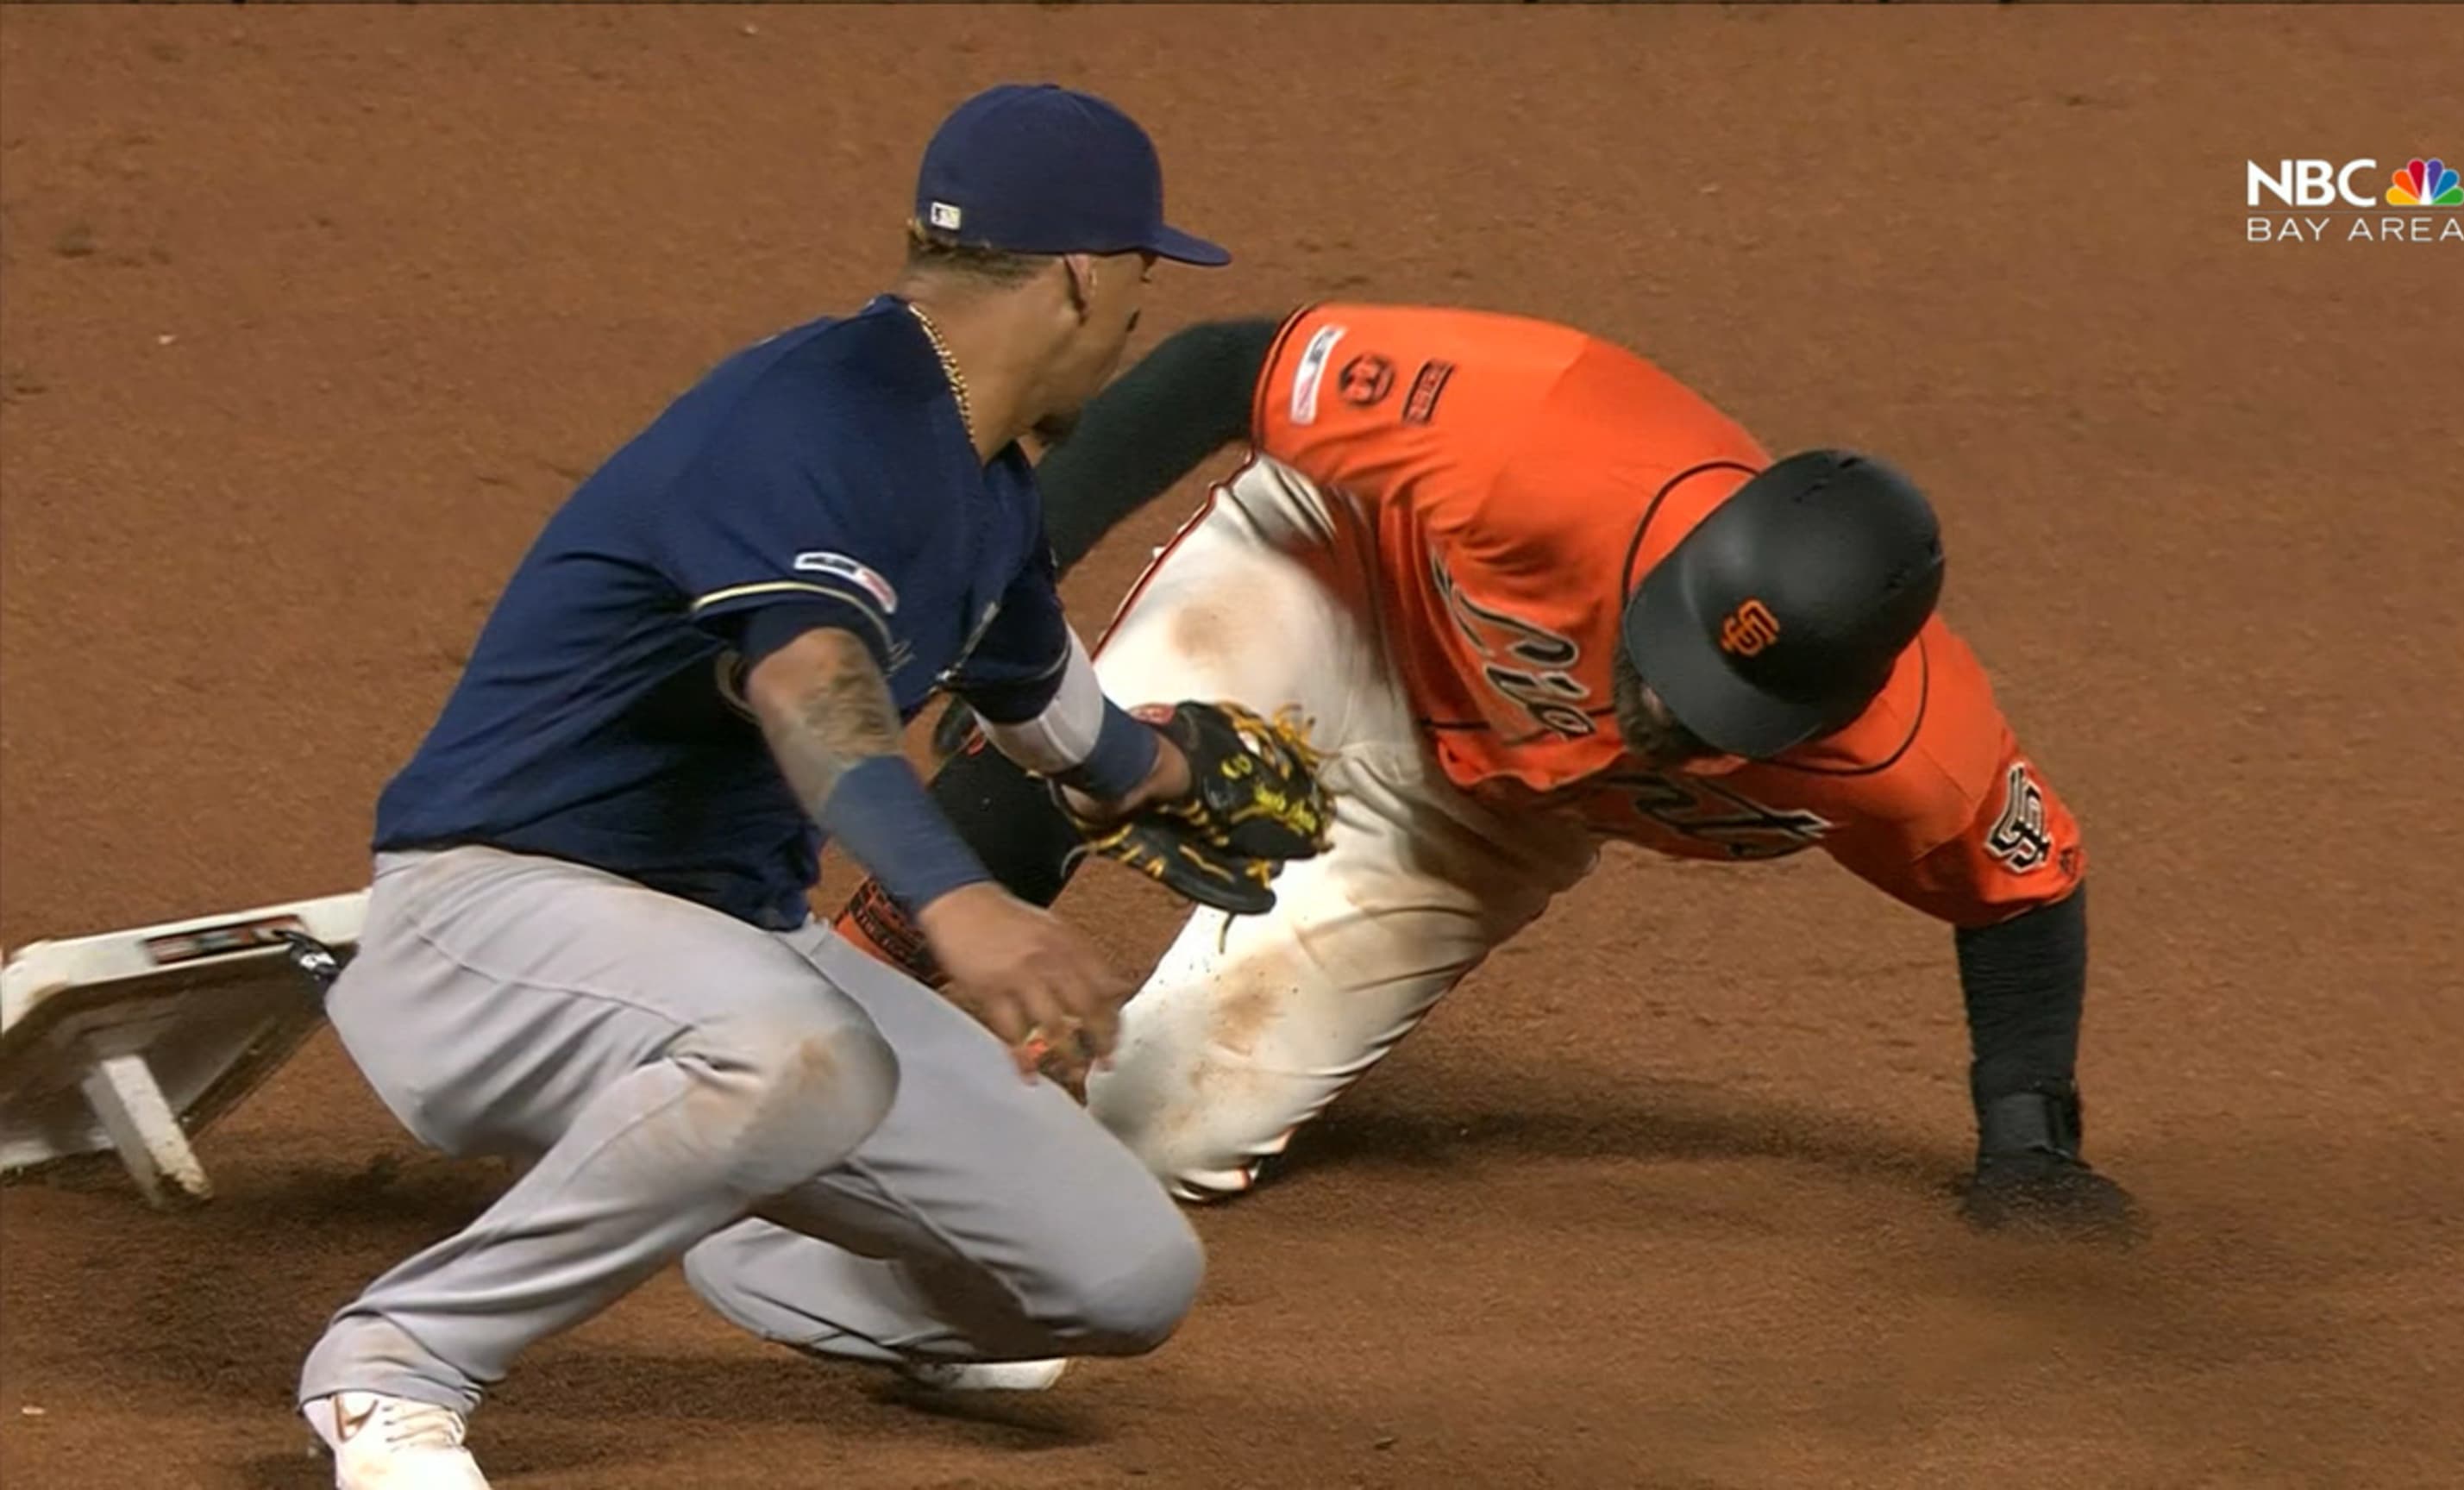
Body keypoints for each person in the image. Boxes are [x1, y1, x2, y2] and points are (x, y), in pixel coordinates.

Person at [294, 85, 1320, 1490]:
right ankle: (396, 1367)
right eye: (1143, 273)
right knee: (791, 1049)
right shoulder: (816, 415)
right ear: (1086, 275)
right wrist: (958, 903)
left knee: (1120, 1275)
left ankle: (741, 1207)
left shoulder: (984, 483)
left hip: (717, 957)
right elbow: (806, 680)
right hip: (490, 917)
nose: (1144, 311)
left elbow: (1043, 701)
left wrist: (1177, 775)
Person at [843, 301, 2141, 1240]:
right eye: (1674, 656)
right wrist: (1007, 591)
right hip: (1346, 585)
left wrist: (2027, 1135)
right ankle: (831, 993)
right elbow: (1230, 369)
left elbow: (2024, 891)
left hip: (1485, 817)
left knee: (1160, 1131)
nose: (1668, 717)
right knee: (1085, 731)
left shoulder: (1920, 757)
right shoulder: (1546, 433)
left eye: (1724, 714)